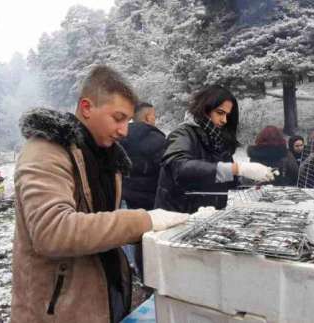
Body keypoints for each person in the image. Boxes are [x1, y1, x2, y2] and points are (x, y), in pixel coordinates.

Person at [11, 65, 188, 323]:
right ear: (86, 108)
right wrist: (144, 221)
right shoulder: (46, 151)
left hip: (100, 297)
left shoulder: (107, 157)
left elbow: (102, 224)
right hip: (57, 310)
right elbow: (52, 231)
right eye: (117, 118)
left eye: (127, 121)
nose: (124, 131)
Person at [154, 85, 274, 213]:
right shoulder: (182, 134)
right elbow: (180, 168)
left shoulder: (218, 139)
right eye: (220, 113)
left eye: (227, 115)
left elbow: (222, 177)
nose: (224, 120)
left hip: (207, 215)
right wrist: (238, 168)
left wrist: (247, 178)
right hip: (178, 216)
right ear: (204, 108)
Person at [120, 102, 166, 210]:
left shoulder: (120, 138)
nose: (155, 118)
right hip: (152, 200)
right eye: (154, 115)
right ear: (148, 117)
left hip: (126, 198)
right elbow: (167, 170)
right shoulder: (156, 139)